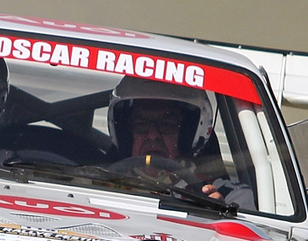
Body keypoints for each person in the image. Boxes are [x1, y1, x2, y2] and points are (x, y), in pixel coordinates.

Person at [104, 77, 251, 206]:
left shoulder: (231, 195)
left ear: (189, 133)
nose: (153, 135)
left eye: (167, 124)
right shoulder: (94, 184)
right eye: (141, 123)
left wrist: (218, 214)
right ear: (126, 133)